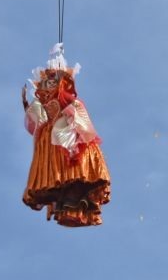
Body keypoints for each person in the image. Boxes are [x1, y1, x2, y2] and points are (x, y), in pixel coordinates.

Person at [21, 46, 110, 227]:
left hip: (66, 140)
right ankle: (66, 203)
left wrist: (70, 117)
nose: (48, 85)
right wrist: (28, 106)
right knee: (61, 176)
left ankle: (73, 202)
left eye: (52, 81)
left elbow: (81, 121)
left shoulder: (71, 103)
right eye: (46, 82)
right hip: (51, 143)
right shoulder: (43, 105)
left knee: (73, 174)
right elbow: (37, 120)